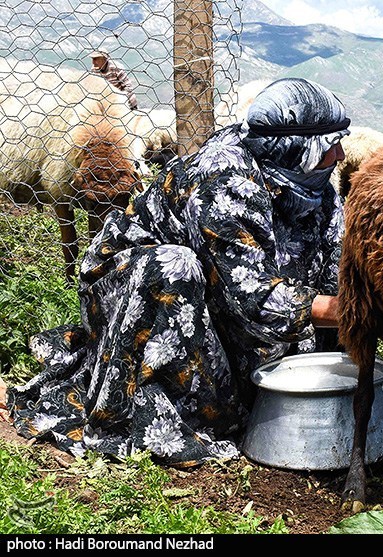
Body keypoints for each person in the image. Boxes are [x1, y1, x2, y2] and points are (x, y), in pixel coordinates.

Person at [6, 77, 349, 467]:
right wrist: (355, 312)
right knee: (175, 267)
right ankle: (149, 408)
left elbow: (336, 264)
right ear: (295, 146)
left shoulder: (310, 183)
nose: (340, 154)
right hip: (134, 287)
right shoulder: (225, 182)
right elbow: (253, 298)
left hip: (215, 284)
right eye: (330, 145)